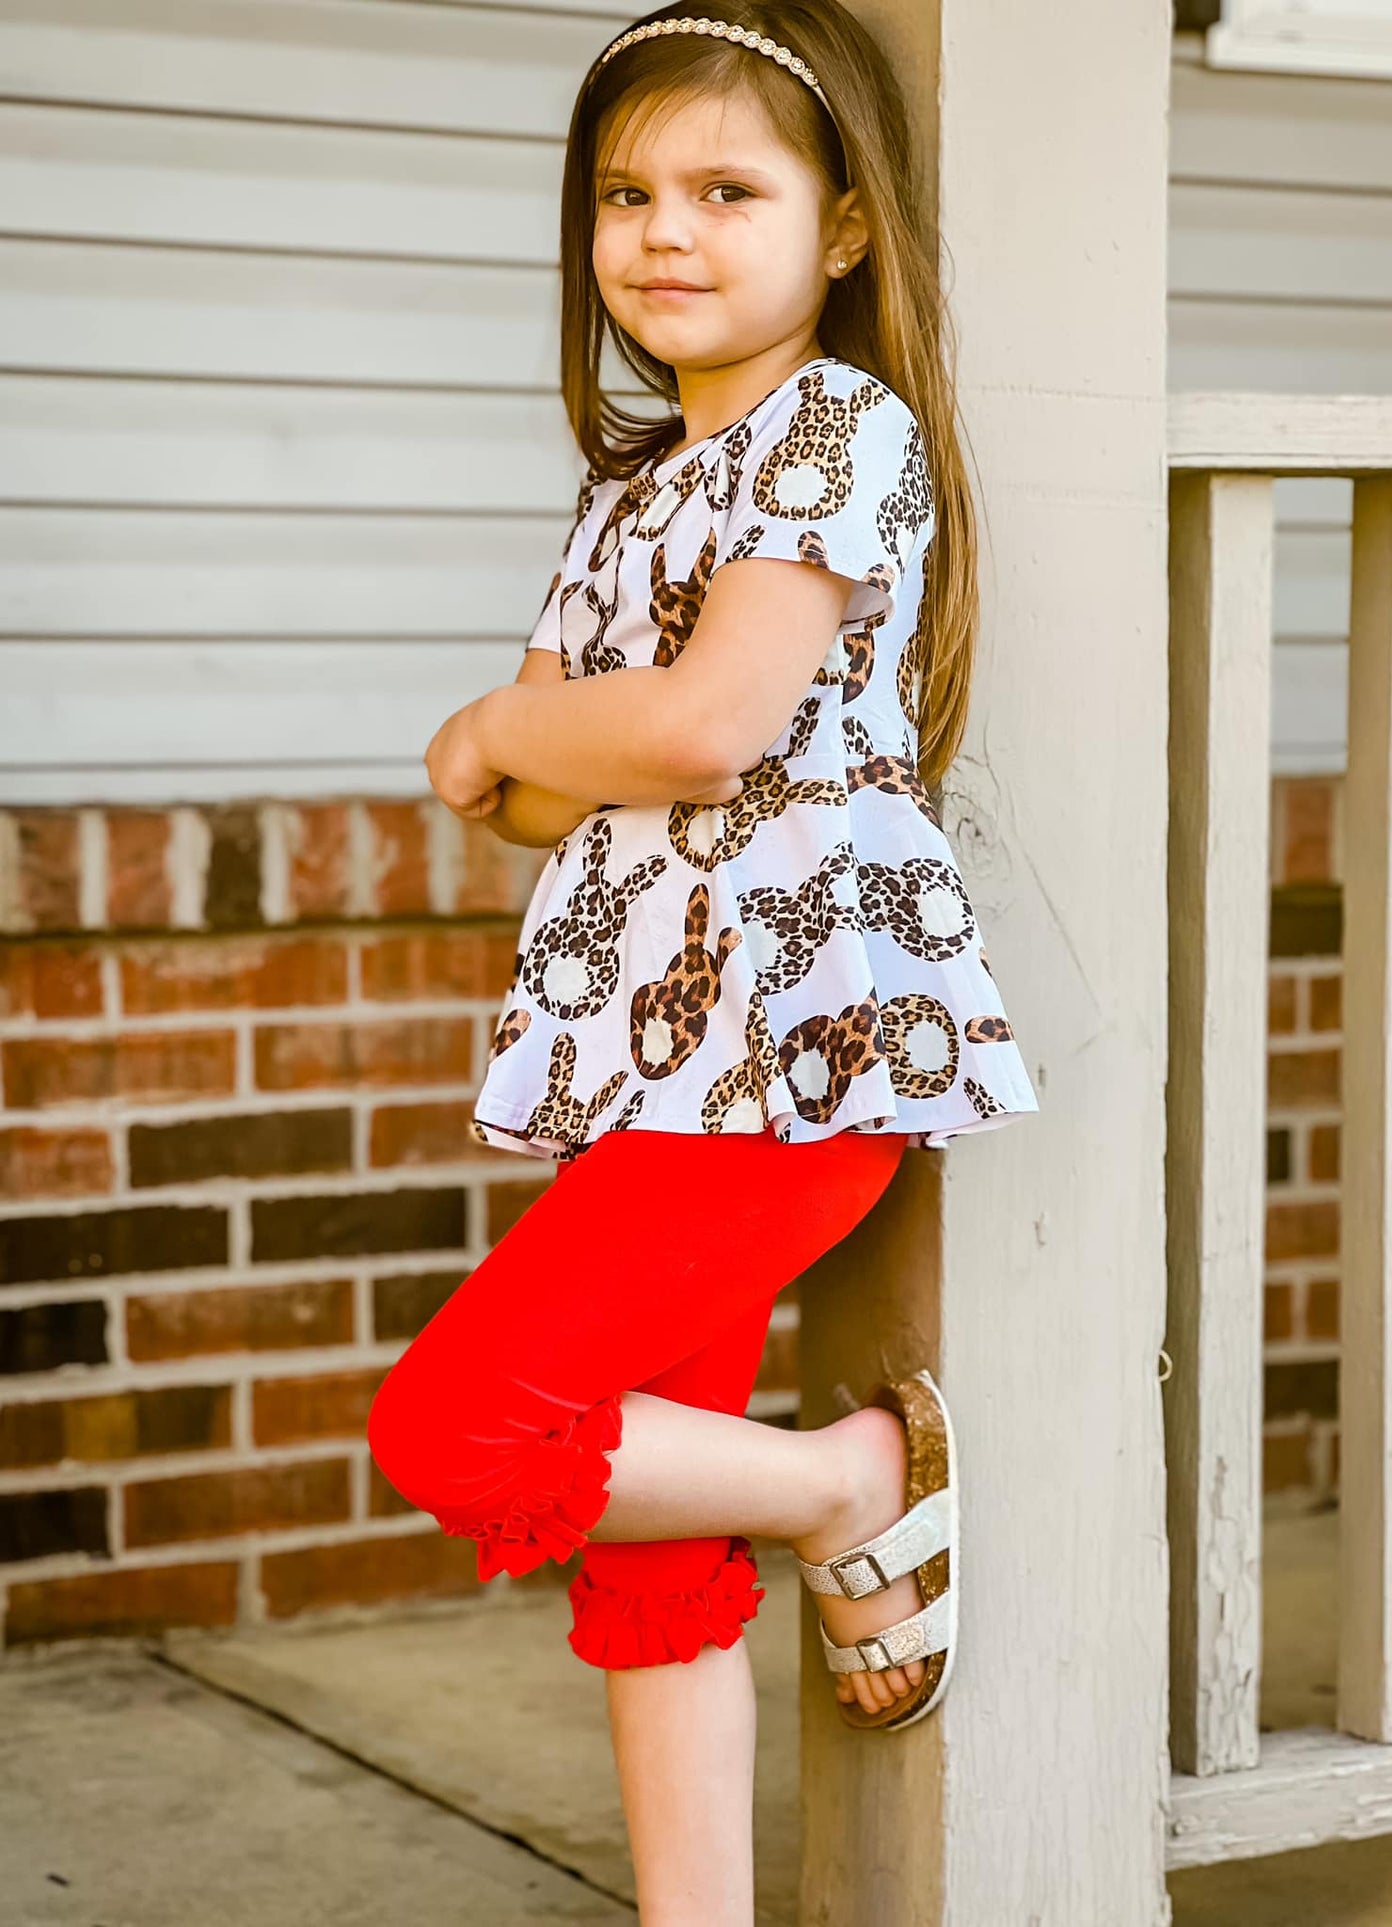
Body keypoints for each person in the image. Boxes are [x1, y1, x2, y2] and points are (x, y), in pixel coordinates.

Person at [366, 4, 1039, 1916]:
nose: (664, 232)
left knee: (463, 1427)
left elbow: (693, 729)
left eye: (725, 190)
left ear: (837, 232)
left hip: (787, 1051)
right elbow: (563, 793)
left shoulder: (838, 425)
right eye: (624, 194)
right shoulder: (648, 480)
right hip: (660, 1055)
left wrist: (504, 724)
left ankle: (843, 1485)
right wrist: (530, 746)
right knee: (645, 1559)